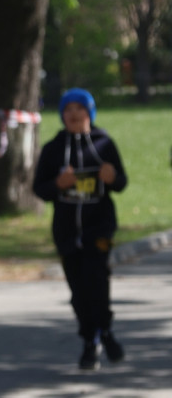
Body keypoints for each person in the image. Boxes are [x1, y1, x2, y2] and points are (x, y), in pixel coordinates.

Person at [32, 88, 128, 371]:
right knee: (78, 289)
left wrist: (113, 178)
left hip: (98, 226)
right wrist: (58, 185)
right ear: (62, 115)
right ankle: (90, 339)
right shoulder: (53, 148)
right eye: (68, 109)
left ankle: (105, 333)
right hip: (65, 228)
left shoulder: (104, 143)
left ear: (90, 112)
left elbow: (121, 183)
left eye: (80, 108)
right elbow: (40, 189)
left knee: (97, 281)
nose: (74, 114)